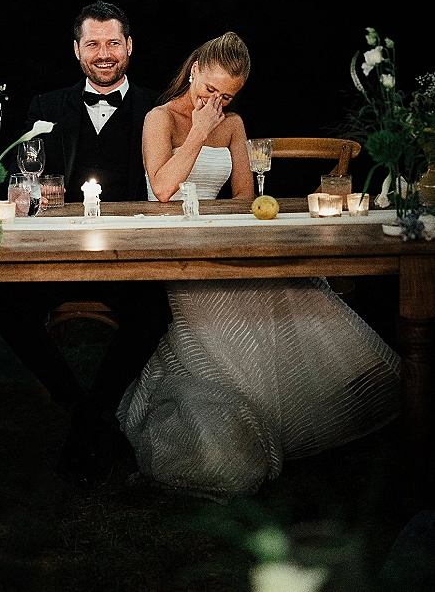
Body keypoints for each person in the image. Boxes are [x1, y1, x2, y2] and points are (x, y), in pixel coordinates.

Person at [117, 31, 401, 501]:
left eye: (227, 96)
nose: (216, 101)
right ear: (194, 73)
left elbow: (245, 199)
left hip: (218, 241)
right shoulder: (159, 118)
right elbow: (163, 187)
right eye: (210, 90)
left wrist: (221, 137)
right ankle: (250, 420)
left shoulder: (233, 124)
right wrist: (199, 134)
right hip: (172, 248)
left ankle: (318, 408)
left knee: (294, 283)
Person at [0, 1, 172, 484]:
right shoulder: (46, 107)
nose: (104, 53)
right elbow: (23, 185)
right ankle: (93, 417)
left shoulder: (157, 108)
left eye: (113, 42)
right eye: (93, 44)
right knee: (4, 307)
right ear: (76, 51)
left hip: (128, 258)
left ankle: (88, 421)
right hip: (59, 257)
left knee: (154, 312)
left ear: (130, 46)